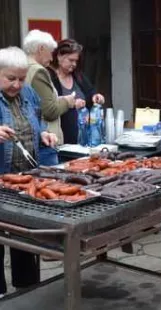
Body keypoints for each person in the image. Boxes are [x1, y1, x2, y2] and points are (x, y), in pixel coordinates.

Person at [0, 46, 57, 297]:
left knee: (26, 236)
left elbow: (39, 119)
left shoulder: (29, 93)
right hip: (2, 179)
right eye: (11, 78)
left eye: (21, 79)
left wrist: (43, 132)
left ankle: (27, 291)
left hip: (28, 179)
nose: (17, 84)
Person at [23, 30, 83, 165]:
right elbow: (49, 111)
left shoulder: (21, 67)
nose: (51, 58)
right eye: (50, 52)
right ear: (41, 49)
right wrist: (68, 101)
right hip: (46, 141)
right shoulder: (38, 71)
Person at [48, 39, 105, 144]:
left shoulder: (78, 76)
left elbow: (91, 92)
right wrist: (71, 105)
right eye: (71, 60)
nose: (74, 64)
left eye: (76, 61)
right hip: (61, 139)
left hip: (84, 138)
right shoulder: (50, 78)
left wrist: (96, 97)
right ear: (59, 56)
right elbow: (50, 108)